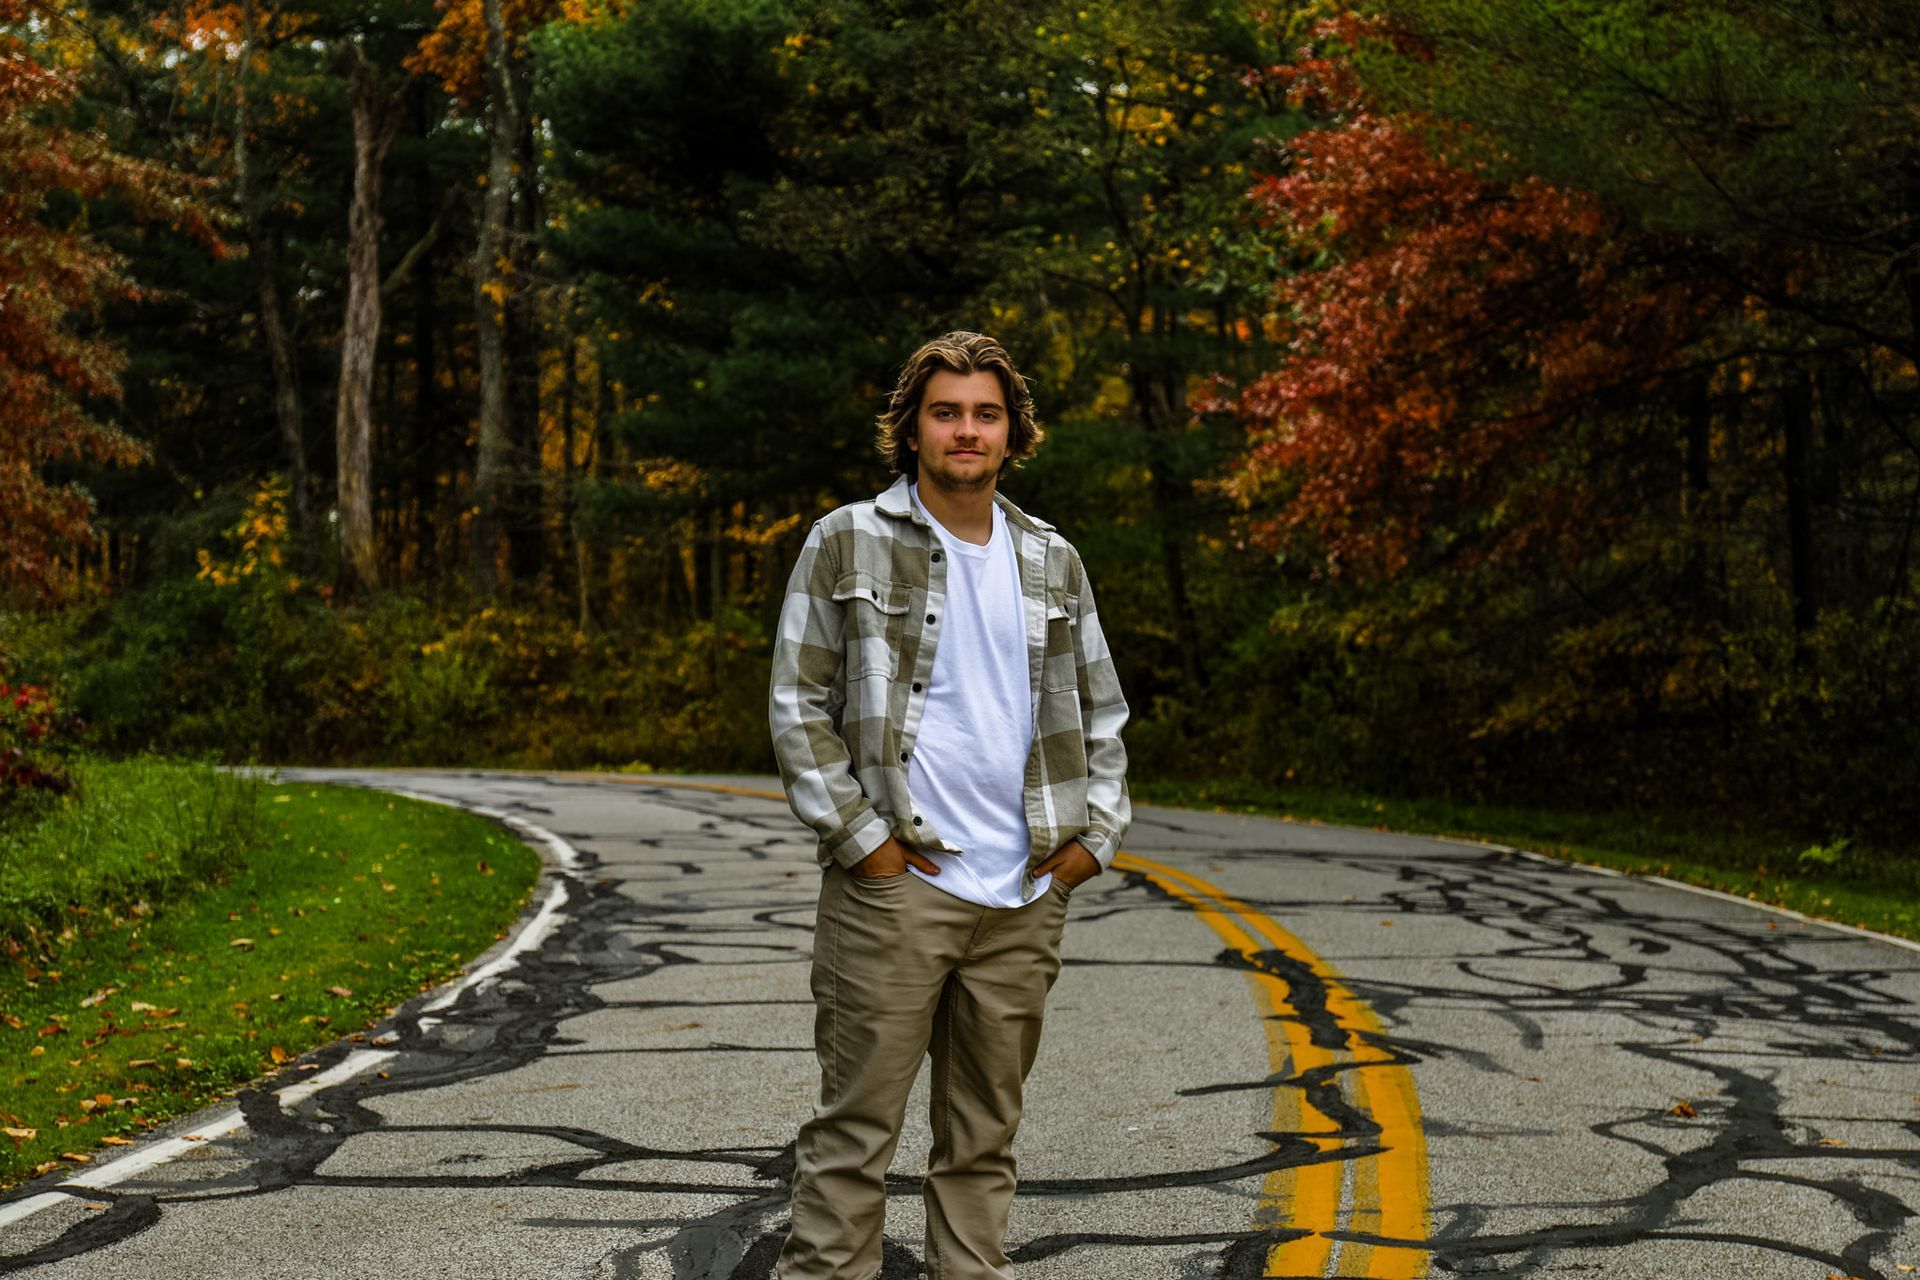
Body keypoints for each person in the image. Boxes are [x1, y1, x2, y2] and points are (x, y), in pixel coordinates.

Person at [767, 329, 1132, 1279]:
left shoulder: (1054, 560)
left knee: (982, 1145)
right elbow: (797, 702)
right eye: (946, 412)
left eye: (985, 413)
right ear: (912, 428)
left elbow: (1100, 709)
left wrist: (1095, 837)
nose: (966, 431)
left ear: (1013, 433)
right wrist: (863, 843)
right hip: (897, 888)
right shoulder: (847, 538)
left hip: (1023, 894)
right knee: (854, 1140)